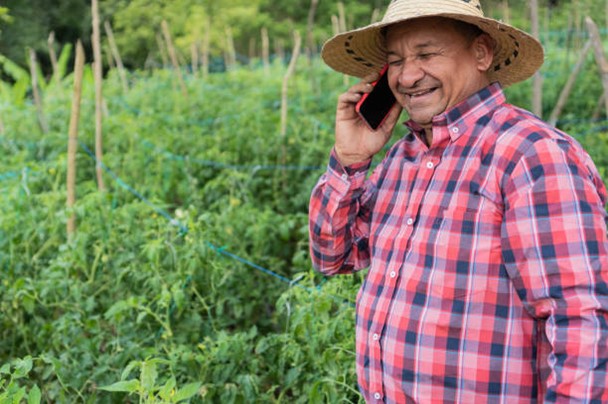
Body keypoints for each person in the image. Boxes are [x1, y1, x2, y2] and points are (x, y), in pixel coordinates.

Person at [308, 0, 608, 402]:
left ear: (482, 52)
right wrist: (350, 160)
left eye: (427, 54)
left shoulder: (531, 156)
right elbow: (333, 256)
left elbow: (582, 323)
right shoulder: (402, 158)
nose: (408, 76)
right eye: (395, 61)